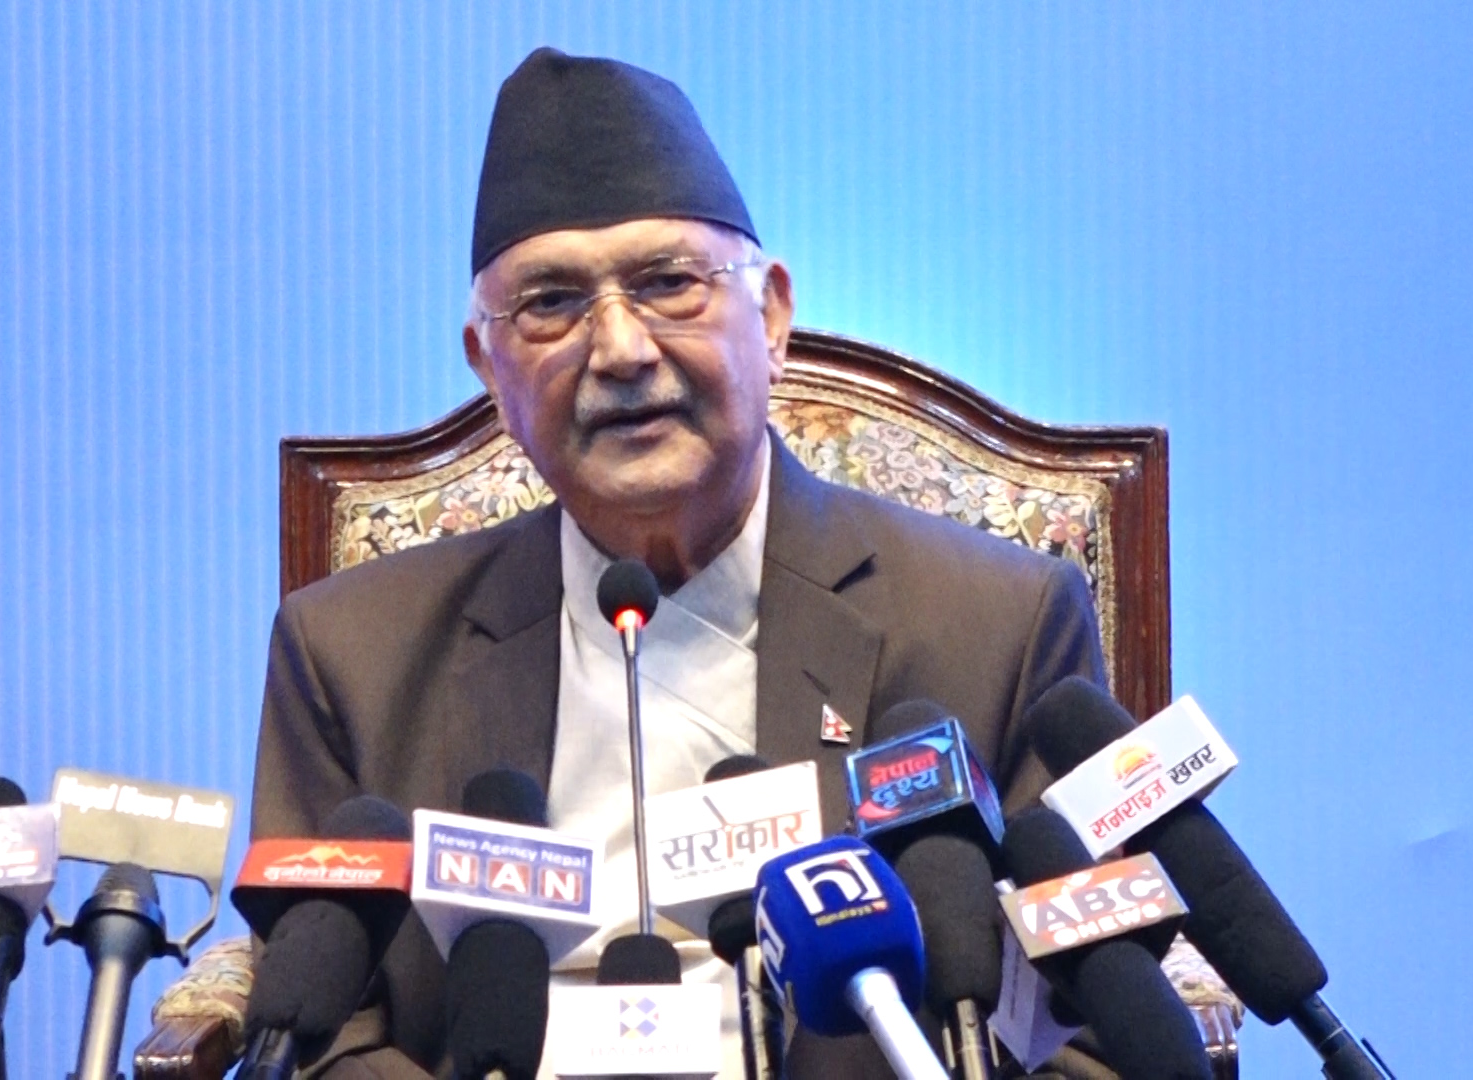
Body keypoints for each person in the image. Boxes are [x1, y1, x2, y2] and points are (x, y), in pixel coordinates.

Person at [251, 48, 1105, 1078]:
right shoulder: (350, 654)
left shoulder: (1001, 623)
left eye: (668, 284)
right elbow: (321, 1039)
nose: (619, 349)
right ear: (489, 368)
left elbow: (1098, 1022)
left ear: (772, 317)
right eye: (550, 303)